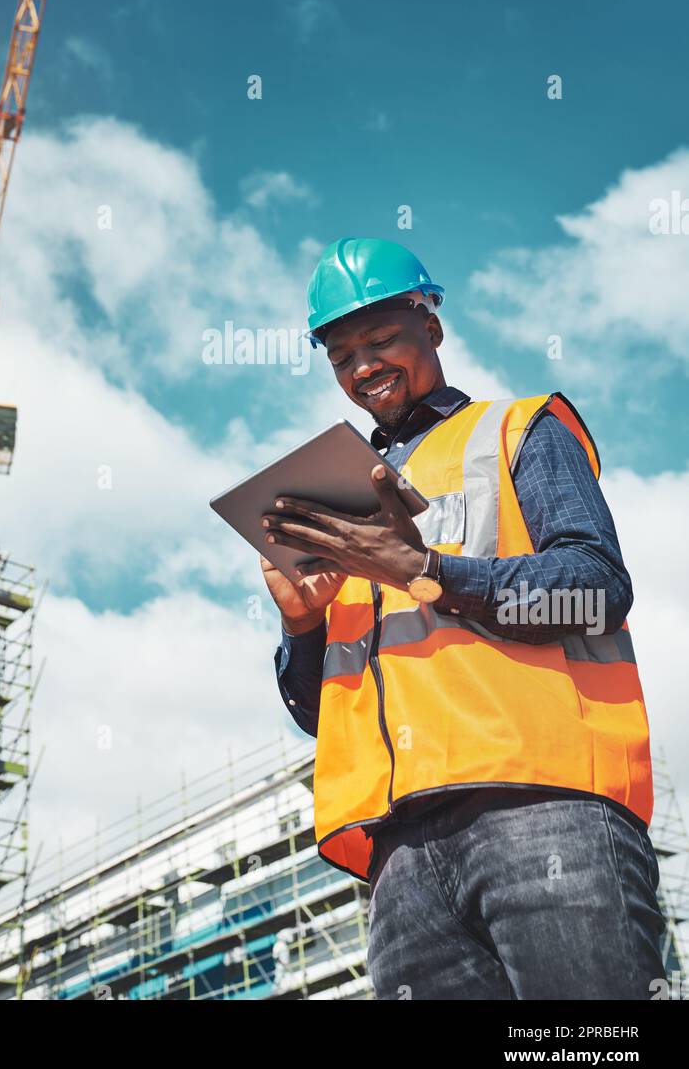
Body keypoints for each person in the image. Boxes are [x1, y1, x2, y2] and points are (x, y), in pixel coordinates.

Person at [262, 236, 665, 1001]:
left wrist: (426, 571)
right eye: (341, 355)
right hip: (400, 858)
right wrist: (300, 626)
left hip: (541, 807)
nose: (363, 367)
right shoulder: (336, 503)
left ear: (431, 327)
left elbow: (595, 587)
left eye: (380, 339)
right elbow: (321, 715)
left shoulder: (517, 430)